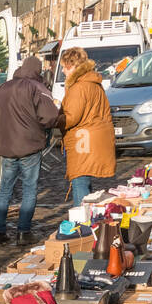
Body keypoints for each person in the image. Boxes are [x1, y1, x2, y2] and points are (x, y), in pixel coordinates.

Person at [0, 55, 61, 246]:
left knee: (4, 190)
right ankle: (23, 232)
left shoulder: (3, 88)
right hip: (30, 146)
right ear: (37, 70)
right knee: (29, 189)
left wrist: (1, 125)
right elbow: (50, 117)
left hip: (8, 147)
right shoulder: (38, 88)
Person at [55, 46, 115, 207]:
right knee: (84, 180)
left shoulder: (79, 86)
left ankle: (82, 223)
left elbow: (71, 117)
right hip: (93, 137)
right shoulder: (93, 82)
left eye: (64, 67)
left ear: (72, 65)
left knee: (79, 180)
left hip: (83, 140)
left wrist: (55, 119)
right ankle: (86, 219)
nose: (62, 71)